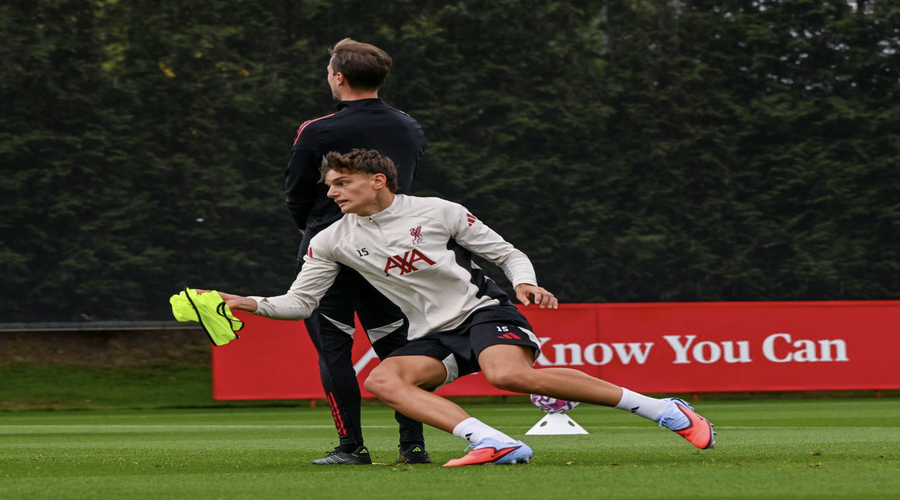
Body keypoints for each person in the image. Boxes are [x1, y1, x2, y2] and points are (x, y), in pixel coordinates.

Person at [212, 149, 716, 466]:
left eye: (341, 182)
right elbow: (300, 303)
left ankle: (663, 409)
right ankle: (493, 441)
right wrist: (246, 303)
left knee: (507, 375)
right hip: (431, 333)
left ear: (377, 180)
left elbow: (507, 254)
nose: (331, 191)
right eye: (329, 184)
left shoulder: (438, 210)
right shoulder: (331, 239)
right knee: (384, 381)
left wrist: (524, 282)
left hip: (483, 311)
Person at [284, 39, 428, 465]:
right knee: (398, 347)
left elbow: (296, 191)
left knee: (333, 349)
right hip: (387, 249)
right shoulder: (408, 126)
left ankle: (351, 447)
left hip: (330, 251)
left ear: (339, 78)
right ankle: (413, 446)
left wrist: (313, 228)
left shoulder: (317, 130)